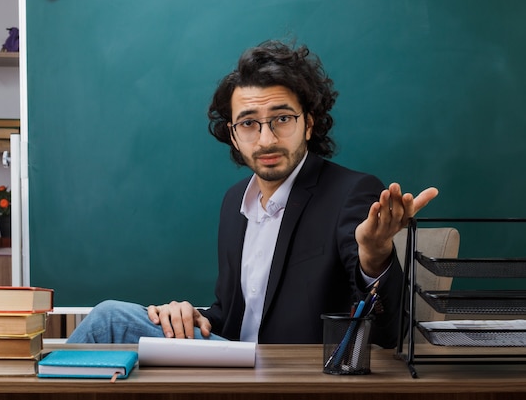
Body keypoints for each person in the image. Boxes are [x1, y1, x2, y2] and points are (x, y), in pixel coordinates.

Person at [67, 40, 438, 347]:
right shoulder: (235, 203)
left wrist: (374, 258)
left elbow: (389, 335)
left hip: (293, 374)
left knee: (108, 320)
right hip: (235, 365)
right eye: (248, 123)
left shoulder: (351, 192)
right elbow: (233, 319)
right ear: (232, 134)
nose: (266, 139)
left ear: (308, 123)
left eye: (282, 119)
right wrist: (190, 314)